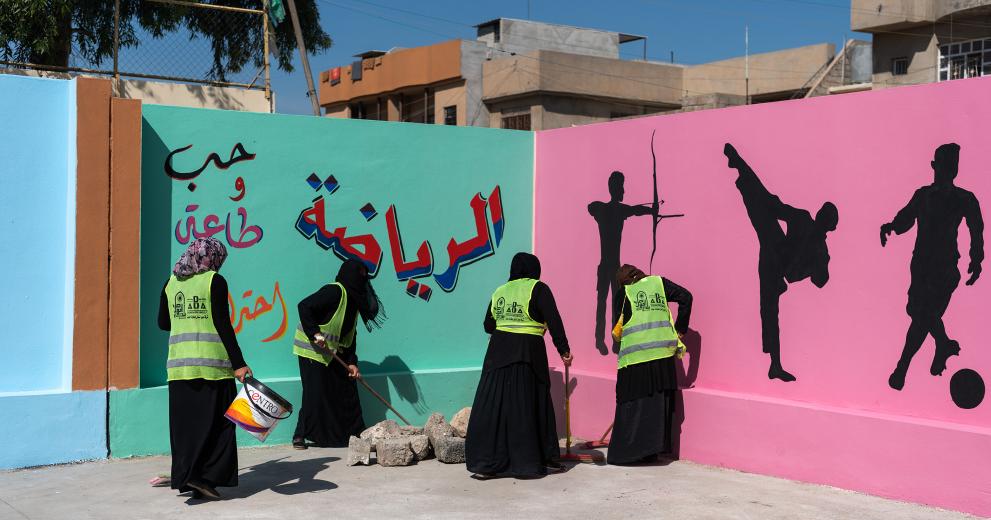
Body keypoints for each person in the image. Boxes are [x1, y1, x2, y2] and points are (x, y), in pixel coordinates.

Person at [724, 143, 838, 382]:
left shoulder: (822, 250)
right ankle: (741, 166)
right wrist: (767, 204)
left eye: (826, 221)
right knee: (764, 205)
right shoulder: (804, 218)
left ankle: (775, 365)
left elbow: (821, 281)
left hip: (783, 267)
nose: (821, 221)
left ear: (829, 226)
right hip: (774, 252)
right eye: (823, 217)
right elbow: (778, 209)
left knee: (770, 311)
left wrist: (818, 265)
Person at [881, 143, 983, 390]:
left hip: (944, 268)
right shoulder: (923, 195)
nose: (946, 171)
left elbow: (976, 229)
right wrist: (892, 226)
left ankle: (901, 368)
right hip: (921, 267)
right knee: (920, 314)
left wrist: (976, 259)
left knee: (922, 315)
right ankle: (943, 344)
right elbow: (905, 218)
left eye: (949, 166)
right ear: (936, 167)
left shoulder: (964, 198)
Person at [157, 237, 251, 501]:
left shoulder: (170, 282)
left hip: (178, 369)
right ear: (213, 257)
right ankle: (205, 478)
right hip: (212, 367)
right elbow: (223, 324)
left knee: (186, 429)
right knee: (220, 425)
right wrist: (239, 363)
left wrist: (184, 316)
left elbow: (163, 322)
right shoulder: (214, 281)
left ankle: (189, 478)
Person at [466, 252, 573, 478]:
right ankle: (538, 461)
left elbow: (488, 325)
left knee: (494, 407)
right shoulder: (538, 288)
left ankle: (486, 464)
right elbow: (554, 320)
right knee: (530, 405)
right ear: (534, 269)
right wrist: (564, 350)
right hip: (528, 353)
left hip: (497, 352)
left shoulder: (500, 291)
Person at [291, 259, 385, 449]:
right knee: (314, 393)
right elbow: (304, 306)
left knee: (346, 388)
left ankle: (354, 432)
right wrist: (315, 333)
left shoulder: (354, 301)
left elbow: (349, 336)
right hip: (311, 350)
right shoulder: (334, 291)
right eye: (358, 275)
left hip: (331, 351)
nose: (362, 280)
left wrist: (352, 363)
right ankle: (300, 435)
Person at [607, 264, 692, 465]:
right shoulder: (658, 283)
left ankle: (628, 453)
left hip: (635, 360)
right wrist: (680, 330)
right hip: (662, 356)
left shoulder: (624, 293)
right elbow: (686, 297)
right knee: (657, 404)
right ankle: (651, 452)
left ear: (624, 281)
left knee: (633, 405)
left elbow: (617, 329)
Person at [588, 171, 658, 356]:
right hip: (608, 266)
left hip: (611, 267)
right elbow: (635, 209)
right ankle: (602, 340)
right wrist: (651, 209)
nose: (623, 191)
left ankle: (612, 340)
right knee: (607, 302)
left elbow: (636, 209)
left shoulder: (608, 209)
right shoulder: (614, 210)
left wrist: (651, 210)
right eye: (620, 187)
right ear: (614, 188)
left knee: (612, 303)